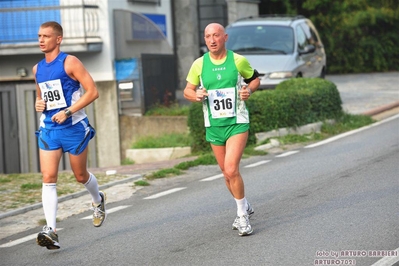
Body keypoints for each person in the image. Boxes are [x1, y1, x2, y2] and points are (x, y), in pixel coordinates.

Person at [33, 21, 106, 250]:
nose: (41, 40)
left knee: (80, 175)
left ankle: (98, 199)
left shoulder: (70, 62)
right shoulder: (37, 69)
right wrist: (39, 103)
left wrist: (68, 111)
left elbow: (93, 92)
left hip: (74, 127)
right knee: (48, 177)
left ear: (58, 39)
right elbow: (41, 96)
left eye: (46, 36)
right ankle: (51, 231)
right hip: (50, 129)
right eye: (39, 36)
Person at [183, 23, 260, 236]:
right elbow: (187, 90)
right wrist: (195, 95)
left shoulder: (238, 60)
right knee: (226, 173)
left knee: (232, 168)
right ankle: (244, 204)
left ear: (225, 37)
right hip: (214, 125)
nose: (212, 40)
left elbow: (254, 79)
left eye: (216, 35)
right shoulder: (199, 64)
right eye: (208, 36)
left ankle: (242, 217)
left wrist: (248, 90)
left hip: (237, 122)